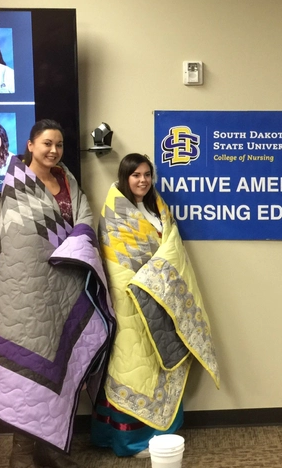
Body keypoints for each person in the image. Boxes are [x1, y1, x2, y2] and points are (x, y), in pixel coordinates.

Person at [0, 119, 114, 468]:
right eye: (47, 143)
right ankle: (21, 453)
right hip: (27, 293)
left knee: (60, 360)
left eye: (59, 145)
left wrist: (77, 239)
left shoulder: (66, 179)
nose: (54, 150)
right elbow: (14, 237)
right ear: (30, 146)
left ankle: (49, 449)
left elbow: (83, 213)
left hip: (65, 288)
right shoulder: (14, 187)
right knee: (28, 366)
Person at [91, 153, 220, 457]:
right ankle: (129, 441)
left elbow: (172, 247)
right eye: (136, 175)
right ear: (125, 177)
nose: (143, 180)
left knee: (160, 360)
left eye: (147, 174)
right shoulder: (114, 214)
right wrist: (140, 284)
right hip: (130, 299)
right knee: (132, 363)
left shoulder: (158, 208)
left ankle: (160, 434)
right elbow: (113, 260)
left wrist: (156, 278)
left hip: (163, 297)